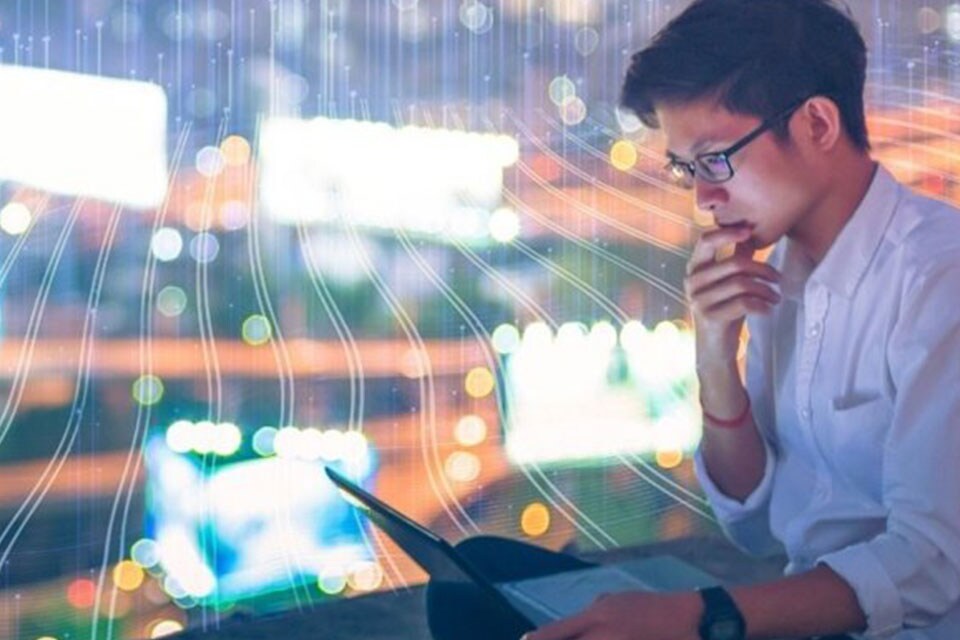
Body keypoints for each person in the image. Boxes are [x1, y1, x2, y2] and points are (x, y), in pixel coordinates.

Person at [522, 1, 960, 639]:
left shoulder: (937, 277)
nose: (702, 196)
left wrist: (699, 617)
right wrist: (713, 359)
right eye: (685, 169)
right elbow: (755, 527)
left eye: (716, 159)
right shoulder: (775, 271)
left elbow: (931, 565)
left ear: (815, 123)